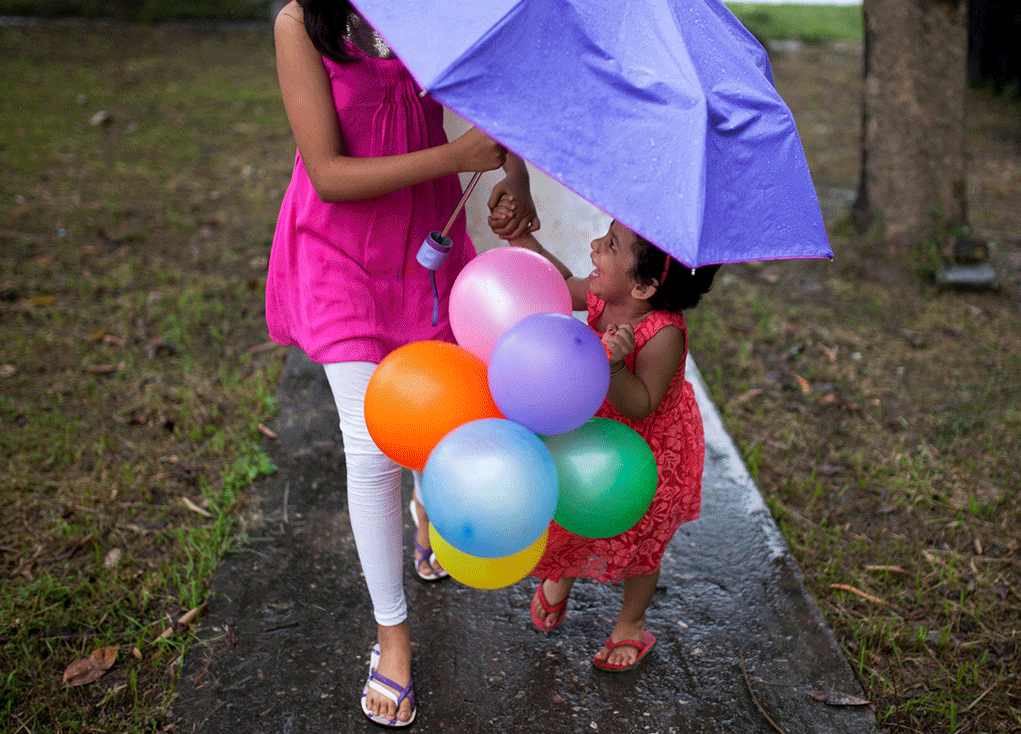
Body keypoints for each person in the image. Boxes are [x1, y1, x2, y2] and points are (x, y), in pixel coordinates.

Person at [267, 1, 538, 726]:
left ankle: (430, 510)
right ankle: (392, 638)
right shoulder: (301, 24)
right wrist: (455, 157)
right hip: (338, 252)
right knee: (373, 444)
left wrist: (516, 180)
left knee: (445, 414)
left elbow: (499, 97)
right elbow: (327, 174)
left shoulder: (436, 10)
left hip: (430, 242)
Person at [498, 204, 719, 672]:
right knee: (570, 511)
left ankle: (631, 623)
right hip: (588, 432)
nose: (596, 246)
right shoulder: (603, 296)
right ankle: (562, 577)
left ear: (644, 286)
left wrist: (616, 365)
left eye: (611, 245)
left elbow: (641, 403)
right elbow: (555, 287)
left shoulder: (663, 334)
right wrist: (524, 242)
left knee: (641, 543)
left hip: (645, 450)